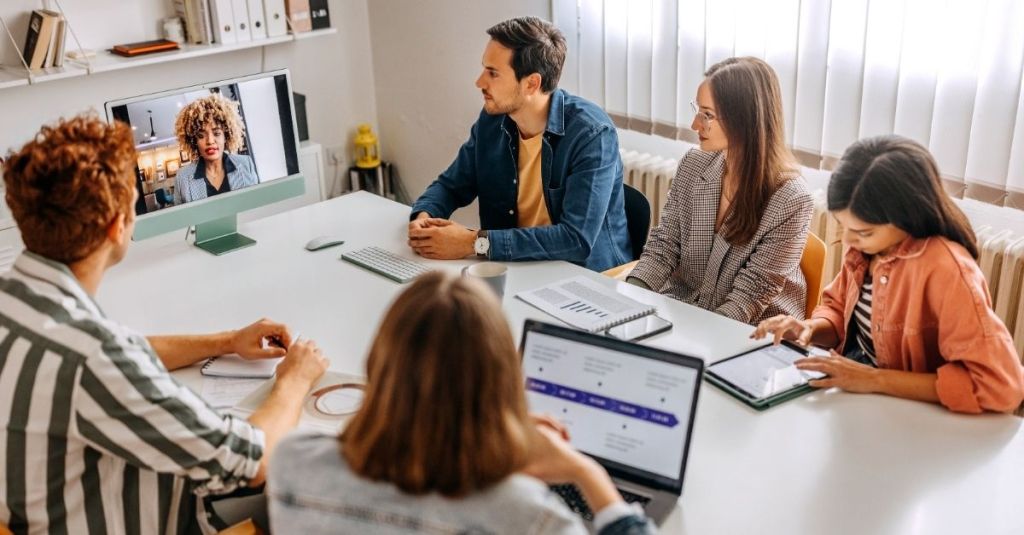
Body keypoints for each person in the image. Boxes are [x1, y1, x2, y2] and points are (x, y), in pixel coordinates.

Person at [0, 114, 329, 533]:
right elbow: (255, 462)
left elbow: (121, 348)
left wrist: (227, 340)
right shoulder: (95, 358)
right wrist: (295, 380)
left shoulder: (20, 301)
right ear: (118, 225)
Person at [268, 272, 655, 534]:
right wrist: (585, 472)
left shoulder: (292, 463)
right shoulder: (532, 517)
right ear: (504, 387)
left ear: (380, 369)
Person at [752, 136, 1024, 413]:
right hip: (859, 397)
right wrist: (810, 329)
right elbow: (836, 309)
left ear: (909, 216)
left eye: (863, 232)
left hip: (913, 414)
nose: (848, 239)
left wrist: (874, 379)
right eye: (844, 226)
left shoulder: (947, 270)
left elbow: (1001, 386)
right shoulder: (867, 250)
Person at [407, 16, 632, 273]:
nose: (479, 82)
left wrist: (474, 243)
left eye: (493, 73)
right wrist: (422, 218)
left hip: (587, 277)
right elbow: (451, 186)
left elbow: (576, 240)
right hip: (517, 268)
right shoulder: (492, 120)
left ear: (531, 84)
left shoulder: (592, 134)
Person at [627, 57, 813, 325]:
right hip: (687, 311)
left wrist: (688, 339)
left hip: (753, 331)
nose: (695, 125)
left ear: (745, 120)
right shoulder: (694, 164)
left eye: (708, 115)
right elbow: (664, 246)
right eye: (697, 110)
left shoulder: (791, 199)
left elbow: (750, 296)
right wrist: (627, 297)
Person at [174, 93, 258, 204]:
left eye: (217, 133)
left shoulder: (246, 164)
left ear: (226, 136)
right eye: (201, 136)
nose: (210, 141)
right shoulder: (182, 178)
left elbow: (256, 205)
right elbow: (181, 219)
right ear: (194, 141)